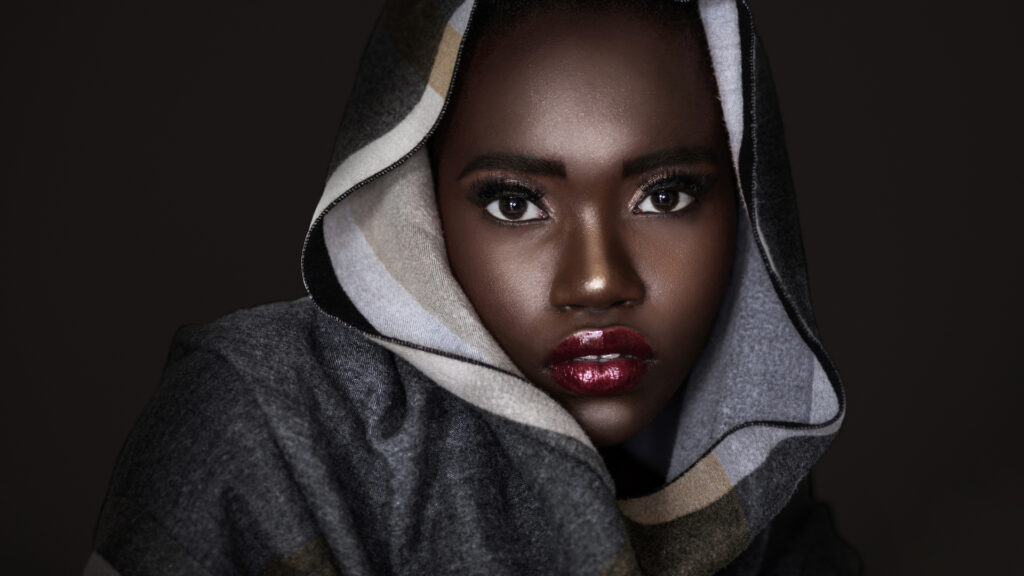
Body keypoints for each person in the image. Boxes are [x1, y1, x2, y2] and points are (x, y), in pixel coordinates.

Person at [86, 0, 857, 574]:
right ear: (417, 209)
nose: (597, 280)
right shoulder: (263, 427)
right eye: (515, 203)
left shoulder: (745, 471)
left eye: (666, 195)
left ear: (752, 212)